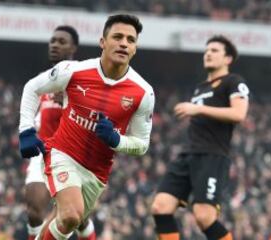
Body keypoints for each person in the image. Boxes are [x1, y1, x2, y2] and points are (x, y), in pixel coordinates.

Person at [18, 14, 155, 240]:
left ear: (135, 49)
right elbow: (32, 87)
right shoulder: (73, 71)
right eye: (117, 37)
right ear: (103, 42)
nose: (123, 43)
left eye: (130, 40)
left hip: (96, 172)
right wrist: (26, 130)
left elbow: (142, 145)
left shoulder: (143, 92)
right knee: (71, 214)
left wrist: (116, 140)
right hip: (62, 153)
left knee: (68, 220)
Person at [151, 35, 250, 240]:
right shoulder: (200, 87)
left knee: (204, 217)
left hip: (212, 155)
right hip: (188, 154)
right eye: (206, 51)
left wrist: (198, 109)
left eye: (214, 51)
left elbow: (238, 114)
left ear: (228, 59)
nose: (208, 54)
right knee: (160, 207)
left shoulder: (233, 81)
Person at [23, 25, 96, 240]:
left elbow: (94, 114)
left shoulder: (82, 77)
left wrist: (69, 102)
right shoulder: (43, 80)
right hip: (43, 151)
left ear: (73, 48)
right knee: (34, 212)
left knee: (73, 217)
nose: (55, 45)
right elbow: (38, 111)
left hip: (71, 155)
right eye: (52, 41)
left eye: (61, 42)